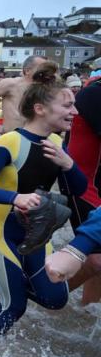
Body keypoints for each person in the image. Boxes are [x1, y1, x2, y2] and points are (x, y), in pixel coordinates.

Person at [0, 61, 86, 339]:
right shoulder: (9, 142)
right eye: (68, 105)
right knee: (13, 307)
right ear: (40, 109)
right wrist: (16, 198)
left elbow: (77, 189)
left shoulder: (57, 143)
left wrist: (68, 164)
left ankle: (14, 281)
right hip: (0, 230)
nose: (75, 111)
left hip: (36, 233)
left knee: (55, 298)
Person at [61, 77, 101, 305]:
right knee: (96, 259)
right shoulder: (94, 94)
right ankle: (45, 301)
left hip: (96, 187)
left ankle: (89, 309)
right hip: (84, 187)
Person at [0, 55, 46, 135]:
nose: (45, 71)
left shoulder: (45, 88)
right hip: (12, 136)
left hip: (35, 136)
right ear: (28, 70)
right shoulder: (11, 84)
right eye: (41, 67)